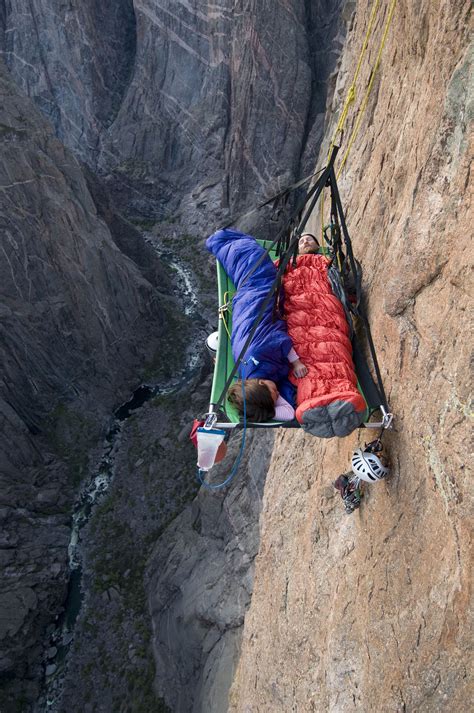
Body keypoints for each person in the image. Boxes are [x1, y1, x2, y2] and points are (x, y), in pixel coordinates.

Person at [206, 228, 308, 422]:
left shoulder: (258, 354)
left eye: (273, 392)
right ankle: (220, 242)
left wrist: (296, 362)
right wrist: (268, 410)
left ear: (261, 383)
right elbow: (288, 413)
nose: (278, 394)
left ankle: (221, 241)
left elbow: (280, 341)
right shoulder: (248, 382)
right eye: (276, 398)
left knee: (256, 262)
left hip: (254, 297)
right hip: (248, 306)